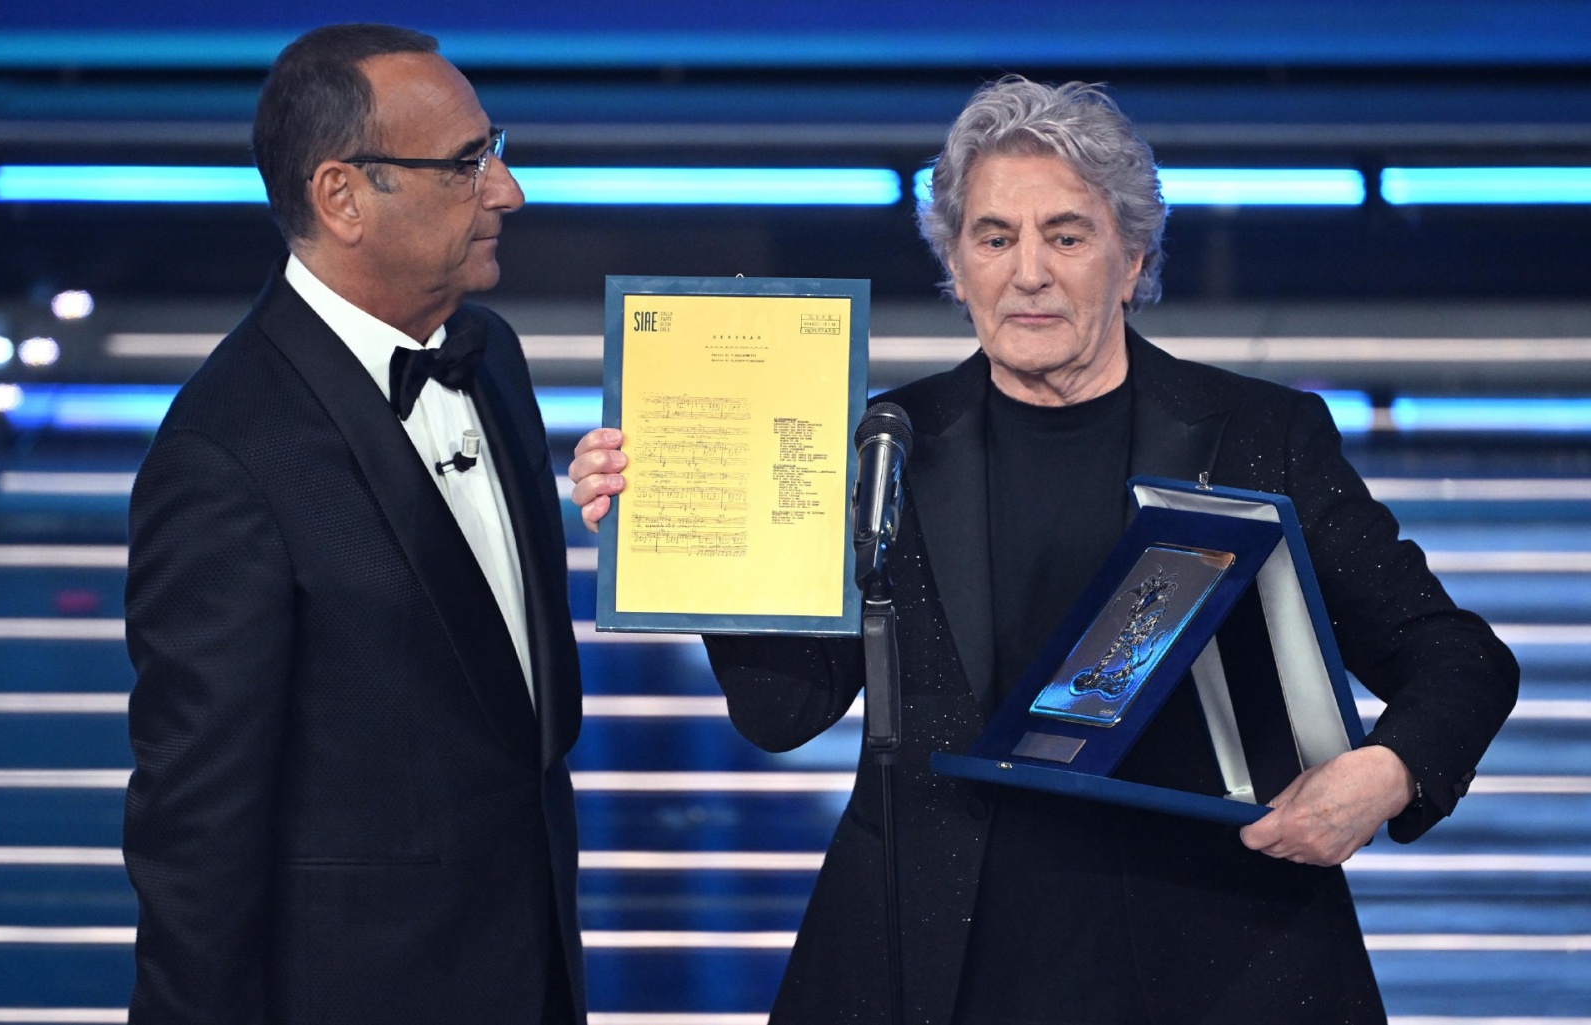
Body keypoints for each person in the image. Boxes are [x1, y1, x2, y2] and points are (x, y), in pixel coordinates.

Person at [569, 77, 1518, 1024]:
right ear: (955, 260)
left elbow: (1458, 658)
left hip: (1215, 959)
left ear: (1132, 253)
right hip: (935, 967)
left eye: (1066, 235)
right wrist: (679, 541)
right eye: (994, 237)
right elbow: (782, 710)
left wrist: (1386, 772)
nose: (1029, 272)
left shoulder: (1258, 433)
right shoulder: (880, 443)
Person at [123, 24, 584, 1024]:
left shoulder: (489, 353)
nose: (508, 191)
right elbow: (194, 837)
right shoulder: (224, 452)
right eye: (466, 164)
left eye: (494, 150)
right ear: (341, 197)